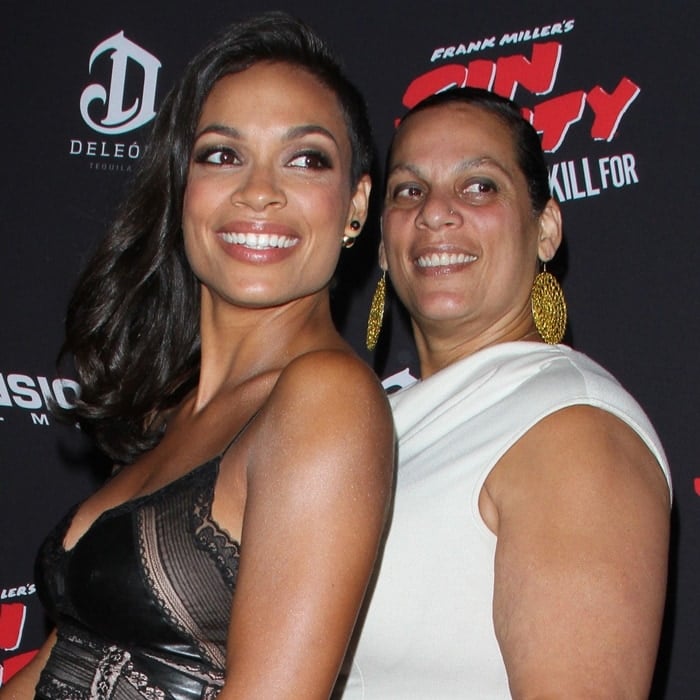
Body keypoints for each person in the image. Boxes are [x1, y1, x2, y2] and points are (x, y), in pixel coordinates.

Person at [1, 12, 394, 700]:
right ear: (184, 187)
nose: (259, 191)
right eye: (222, 154)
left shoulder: (325, 397)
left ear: (356, 204)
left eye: (305, 159)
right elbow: (61, 662)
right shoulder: (174, 407)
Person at [338, 87, 671, 699]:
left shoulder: (572, 428)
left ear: (545, 229)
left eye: (480, 186)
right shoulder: (358, 418)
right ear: (382, 244)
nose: (435, 212)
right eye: (409, 190)